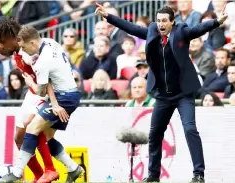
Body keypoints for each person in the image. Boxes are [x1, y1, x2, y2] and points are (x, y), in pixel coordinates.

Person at [95, 3, 228, 183]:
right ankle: (153, 176)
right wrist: (109, 17)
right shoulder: (152, 32)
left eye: (164, 21)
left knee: (190, 129)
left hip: (183, 94)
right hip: (163, 96)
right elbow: (131, 27)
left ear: (173, 22)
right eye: (158, 21)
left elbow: (198, 29)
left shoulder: (181, 31)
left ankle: (198, 174)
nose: (161, 24)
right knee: (155, 134)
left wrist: (217, 21)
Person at [0, 18, 82, 183]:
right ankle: (42, 174)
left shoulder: (30, 52)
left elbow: (48, 80)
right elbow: (4, 50)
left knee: (33, 127)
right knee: (19, 137)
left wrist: (52, 102)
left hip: (43, 93)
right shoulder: (19, 46)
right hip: (32, 93)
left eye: (3, 41)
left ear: (13, 38)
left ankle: (50, 170)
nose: (2, 45)